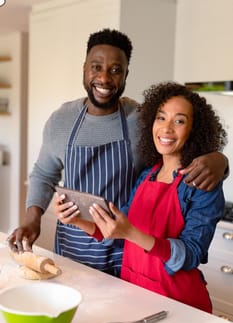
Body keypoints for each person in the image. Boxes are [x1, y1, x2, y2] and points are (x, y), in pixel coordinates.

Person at [8, 29, 228, 277]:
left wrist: (221, 160)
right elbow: (43, 174)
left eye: (115, 70)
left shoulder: (143, 119)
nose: (104, 78)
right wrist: (32, 219)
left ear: (125, 75)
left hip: (131, 254)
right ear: (84, 69)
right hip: (73, 246)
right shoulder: (61, 121)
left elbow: (180, 149)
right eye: (96, 67)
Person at [54, 81, 227, 313]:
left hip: (179, 303)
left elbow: (190, 254)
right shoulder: (147, 174)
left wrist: (131, 233)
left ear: (194, 130)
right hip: (134, 293)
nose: (166, 128)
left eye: (179, 120)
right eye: (161, 118)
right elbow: (118, 230)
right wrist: (77, 220)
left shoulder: (202, 183)